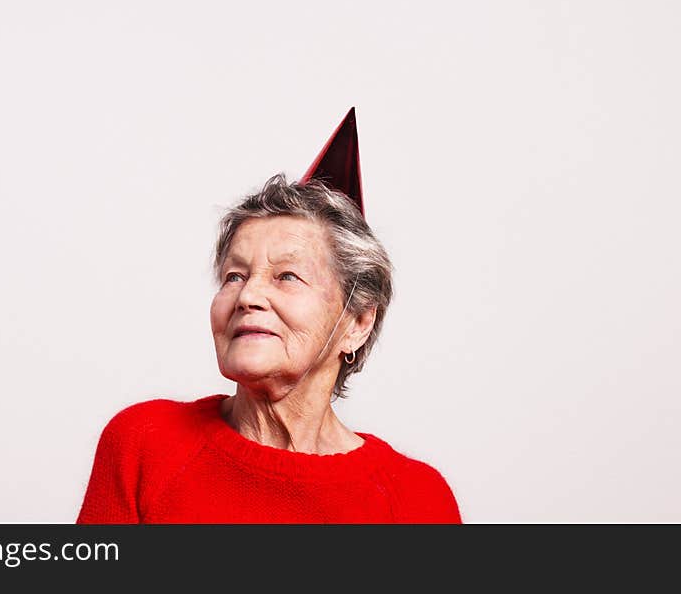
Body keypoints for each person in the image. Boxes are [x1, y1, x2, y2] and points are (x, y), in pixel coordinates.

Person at [76, 109, 461, 523]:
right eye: (234, 275)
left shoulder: (419, 500)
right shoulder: (144, 443)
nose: (248, 295)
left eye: (287, 276)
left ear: (357, 323)